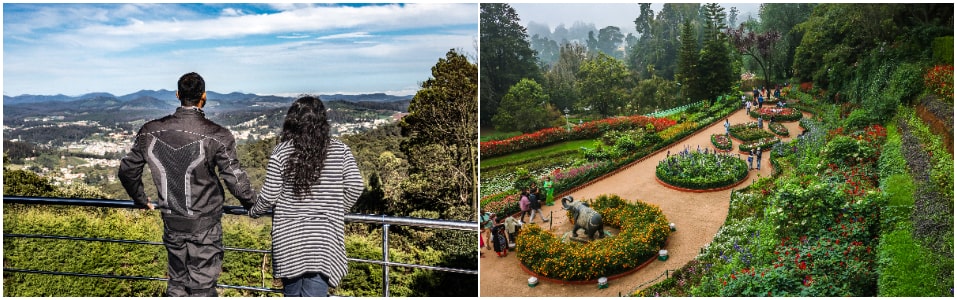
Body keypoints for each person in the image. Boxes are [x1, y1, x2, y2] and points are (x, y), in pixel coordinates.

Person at [118, 72, 256, 297]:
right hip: (205, 223)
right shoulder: (218, 135)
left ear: (177, 95)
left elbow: (127, 170)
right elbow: (236, 181)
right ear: (204, 96)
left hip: (172, 221)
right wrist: (254, 205)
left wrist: (141, 200)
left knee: (177, 284)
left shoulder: (150, 131)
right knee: (202, 286)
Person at [248, 96, 364, 297]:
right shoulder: (340, 150)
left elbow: (269, 196)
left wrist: (253, 211)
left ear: (292, 121)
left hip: (289, 239)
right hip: (324, 239)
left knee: (292, 293)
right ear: (322, 122)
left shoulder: (281, 152)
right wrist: (335, 209)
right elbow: (355, 186)